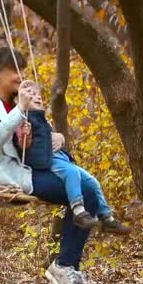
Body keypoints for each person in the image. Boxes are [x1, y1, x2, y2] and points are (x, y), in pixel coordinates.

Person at [0, 46, 103, 284]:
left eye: (22, 71)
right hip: (9, 176)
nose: (20, 77)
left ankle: (68, 268)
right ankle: (63, 267)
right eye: (14, 72)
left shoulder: (14, 103)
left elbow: (33, 138)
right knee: (83, 192)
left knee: (89, 189)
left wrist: (57, 138)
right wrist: (19, 110)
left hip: (33, 167)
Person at [12, 82, 131, 234]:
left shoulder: (42, 119)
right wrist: (25, 134)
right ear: (20, 101)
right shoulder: (23, 120)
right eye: (32, 95)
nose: (38, 97)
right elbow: (22, 145)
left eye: (39, 95)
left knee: (92, 181)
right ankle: (79, 211)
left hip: (60, 158)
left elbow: (51, 137)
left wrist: (59, 137)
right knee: (71, 173)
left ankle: (107, 218)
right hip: (46, 159)